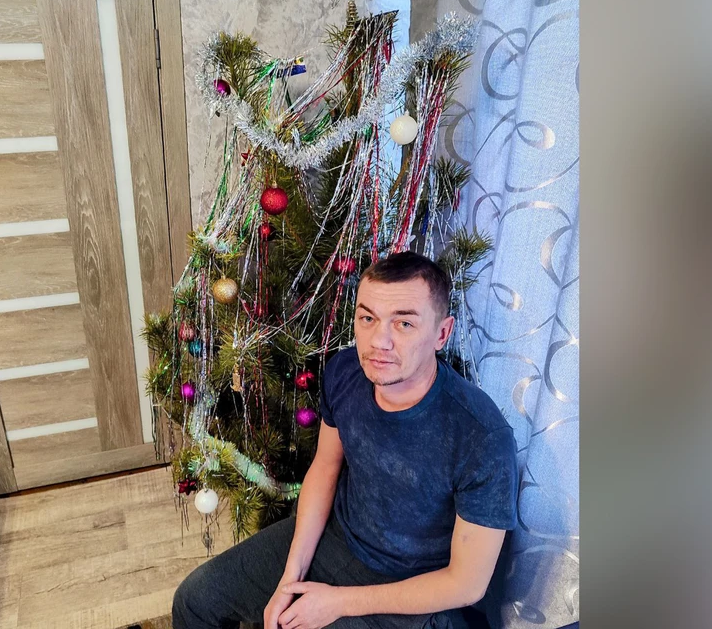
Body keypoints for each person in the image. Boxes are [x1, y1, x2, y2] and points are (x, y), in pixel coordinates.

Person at [173, 251, 518, 629]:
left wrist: (337, 603)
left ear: (442, 334)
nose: (379, 341)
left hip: (413, 590)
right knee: (195, 599)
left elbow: (466, 584)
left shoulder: (482, 437)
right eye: (368, 318)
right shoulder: (346, 371)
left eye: (404, 323)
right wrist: (290, 578)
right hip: (337, 537)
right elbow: (325, 466)